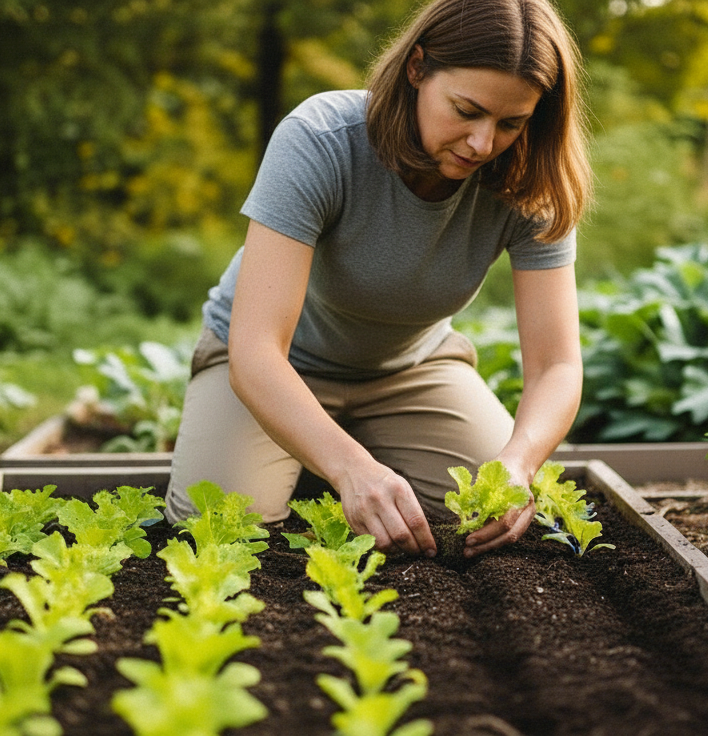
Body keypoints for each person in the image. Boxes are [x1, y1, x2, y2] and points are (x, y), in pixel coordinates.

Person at [164, 0, 592, 559]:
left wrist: (518, 462)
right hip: (274, 369)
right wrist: (350, 469)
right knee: (224, 528)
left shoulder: (529, 178)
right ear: (417, 69)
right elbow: (256, 351)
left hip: (411, 371)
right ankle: (331, 465)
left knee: (480, 519)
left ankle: (335, 463)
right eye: (466, 110)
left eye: (511, 123)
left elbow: (556, 365)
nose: (483, 143)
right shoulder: (321, 140)